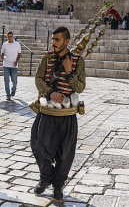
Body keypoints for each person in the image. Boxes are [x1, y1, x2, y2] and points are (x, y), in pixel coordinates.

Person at [31, 26, 85, 199]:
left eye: (57, 40)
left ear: (67, 41)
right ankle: (45, 177)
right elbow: (38, 78)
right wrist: (50, 93)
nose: (53, 42)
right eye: (53, 39)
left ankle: (58, 184)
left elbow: (80, 87)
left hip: (67, 115)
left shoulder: (78, 60)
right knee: (38, 145)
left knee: (65, 151)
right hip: (46, 112)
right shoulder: (47, 59)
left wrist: (69, 71)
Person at [1, 31, 21, 101]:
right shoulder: (4, 44)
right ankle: (8, 95)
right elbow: (2, 53)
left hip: (14, 65)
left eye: (10, 36)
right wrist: (2, 56)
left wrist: (16, 61)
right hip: (6, 65)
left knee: (14, 81)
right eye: (8, 37)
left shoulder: (17, 44)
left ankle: (14, 89)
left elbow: (19, 54)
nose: (9, 38)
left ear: (13, 36)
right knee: (6, 81)